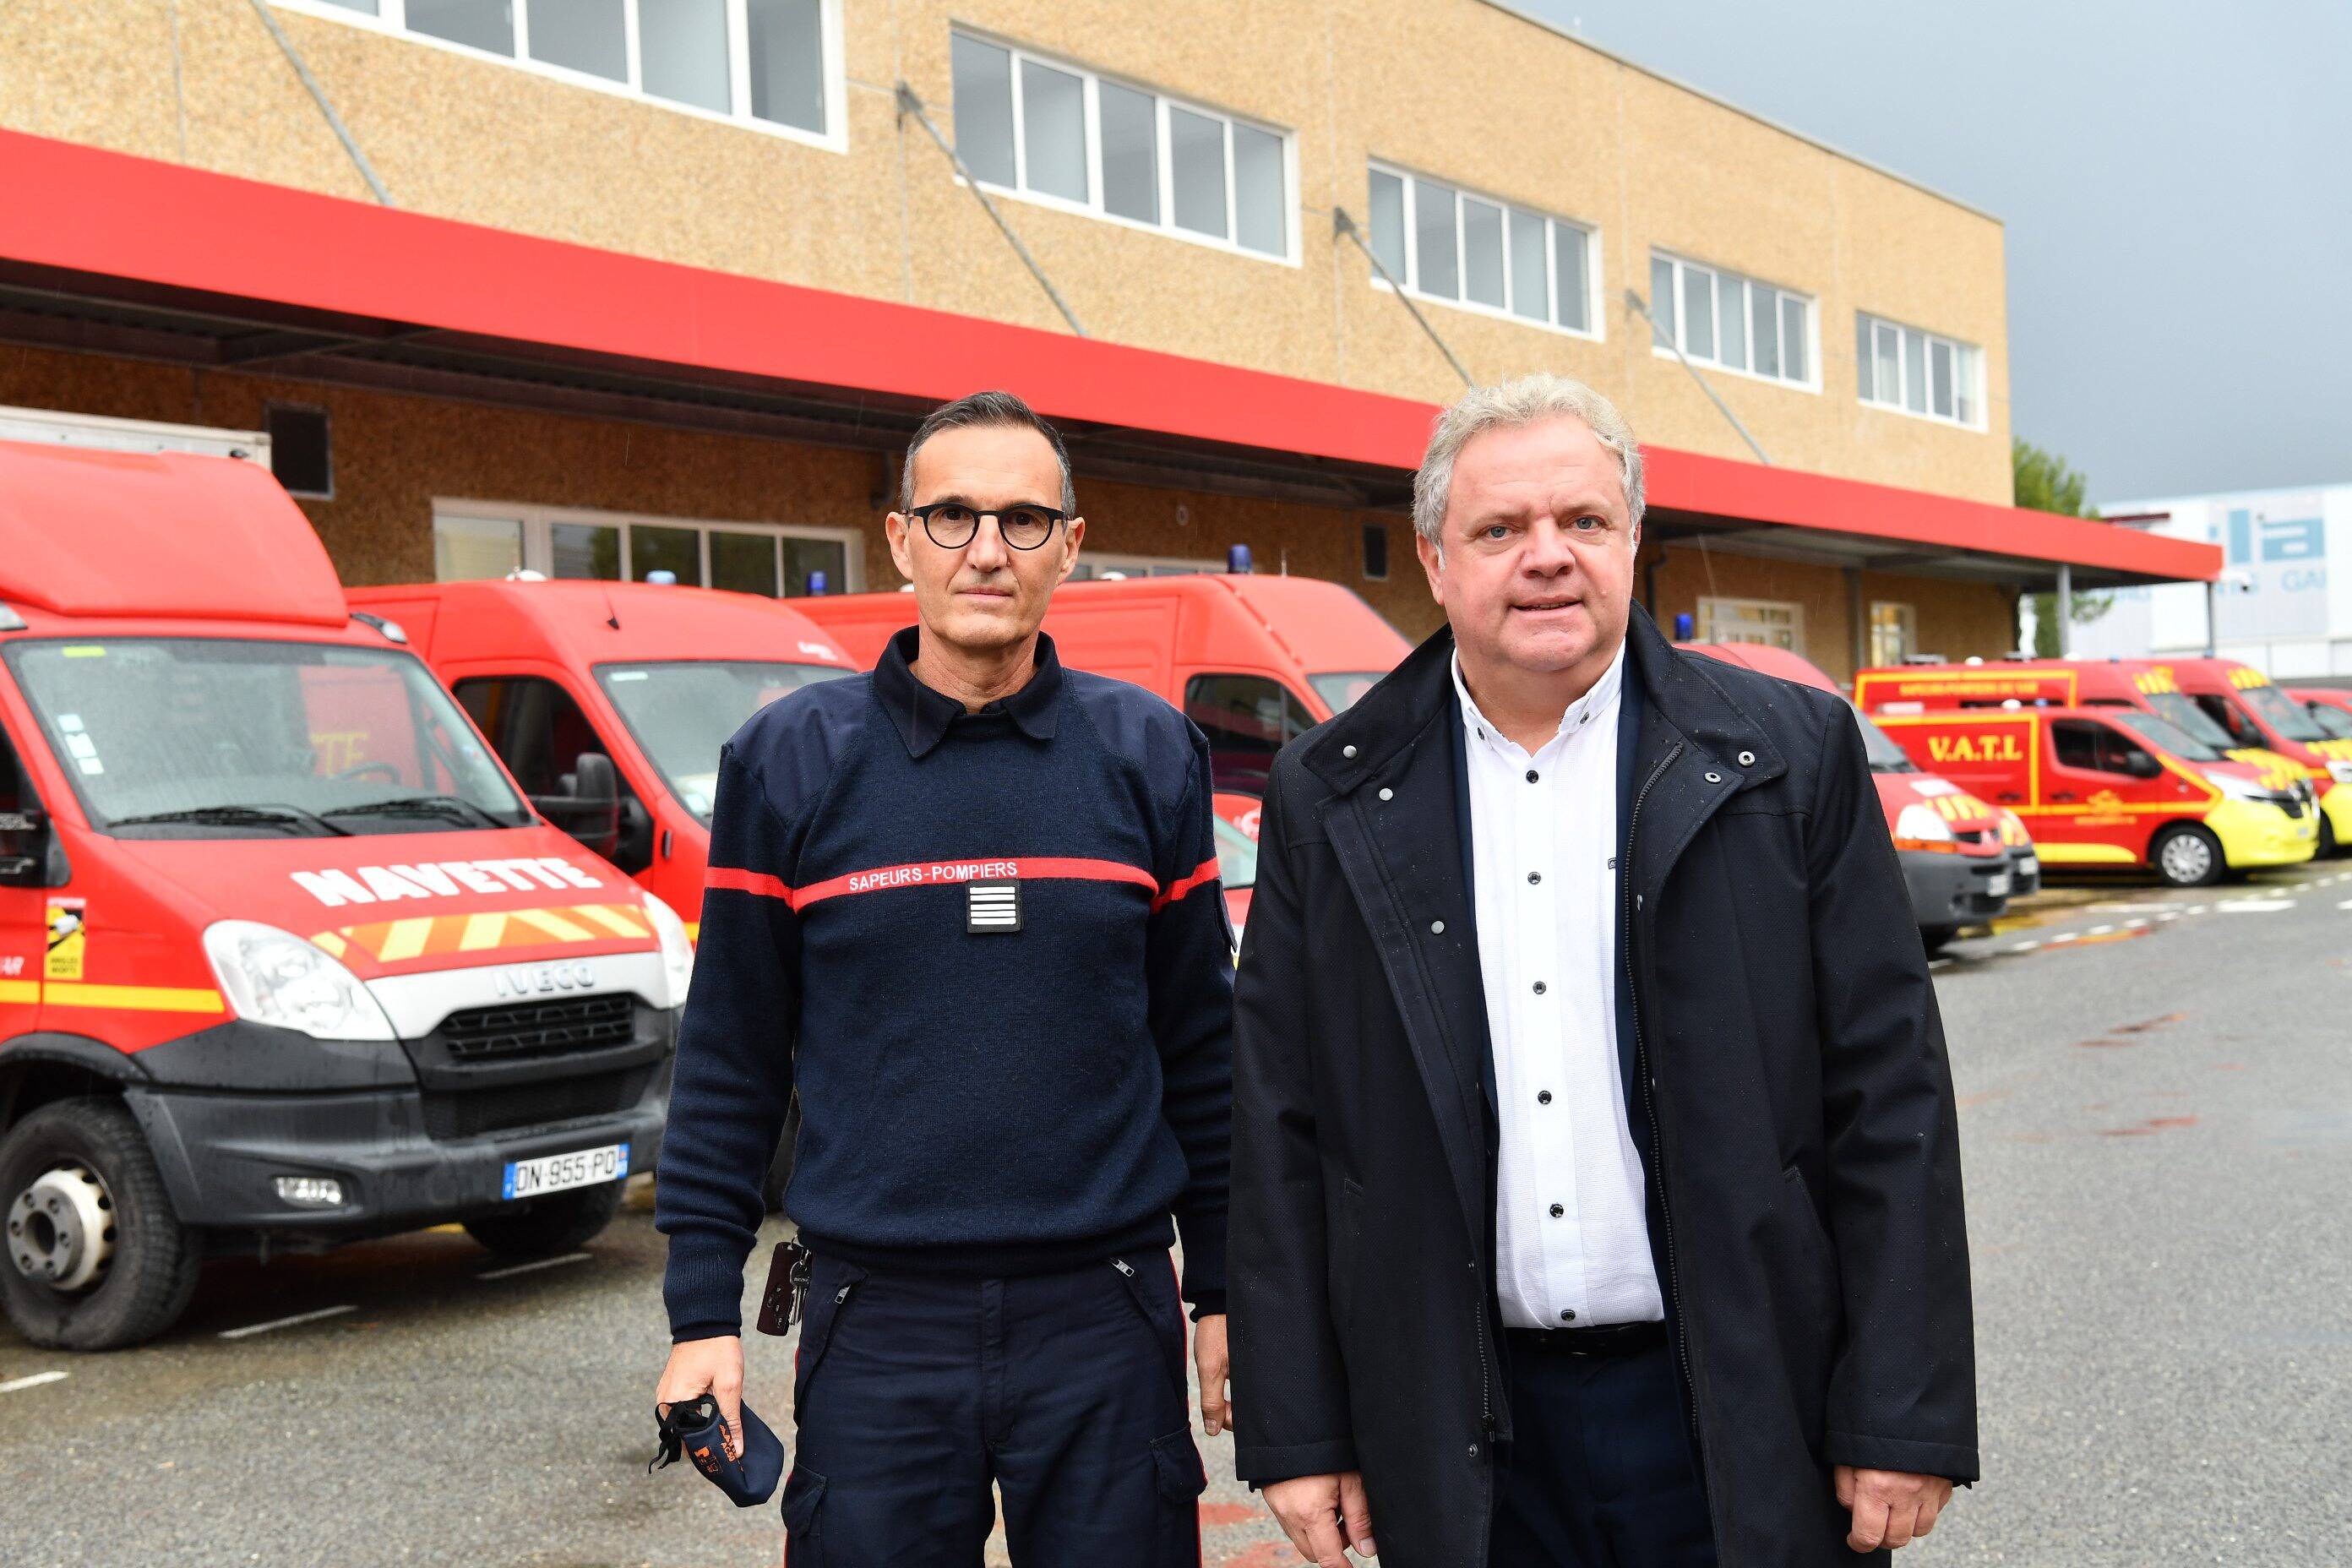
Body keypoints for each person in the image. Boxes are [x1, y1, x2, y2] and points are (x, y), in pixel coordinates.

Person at [1229, 373, 1976, 1567]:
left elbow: (1889, 1098)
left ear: (1635, 537)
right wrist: (1299, 1429)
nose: (1547, 558)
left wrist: (1903, 1407)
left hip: (1739, 1405)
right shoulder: (1332, 790)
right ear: (1434, 558)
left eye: (1582, 521)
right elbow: (1281, 1129)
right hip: (1467, 1430)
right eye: (1499, 529)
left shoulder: (1787, 758)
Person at [654, 390, 1233, 1565]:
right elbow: (731, 1057)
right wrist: (703, 1310)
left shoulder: (1147, 754)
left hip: (1107, 1312)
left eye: (1023, 520)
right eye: (953, 515)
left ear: (1072, 546)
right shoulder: (791, 762)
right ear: (900, 538)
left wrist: (1223, 1288)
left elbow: (1204, 1054)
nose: (986, 549)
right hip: (878, 1320)